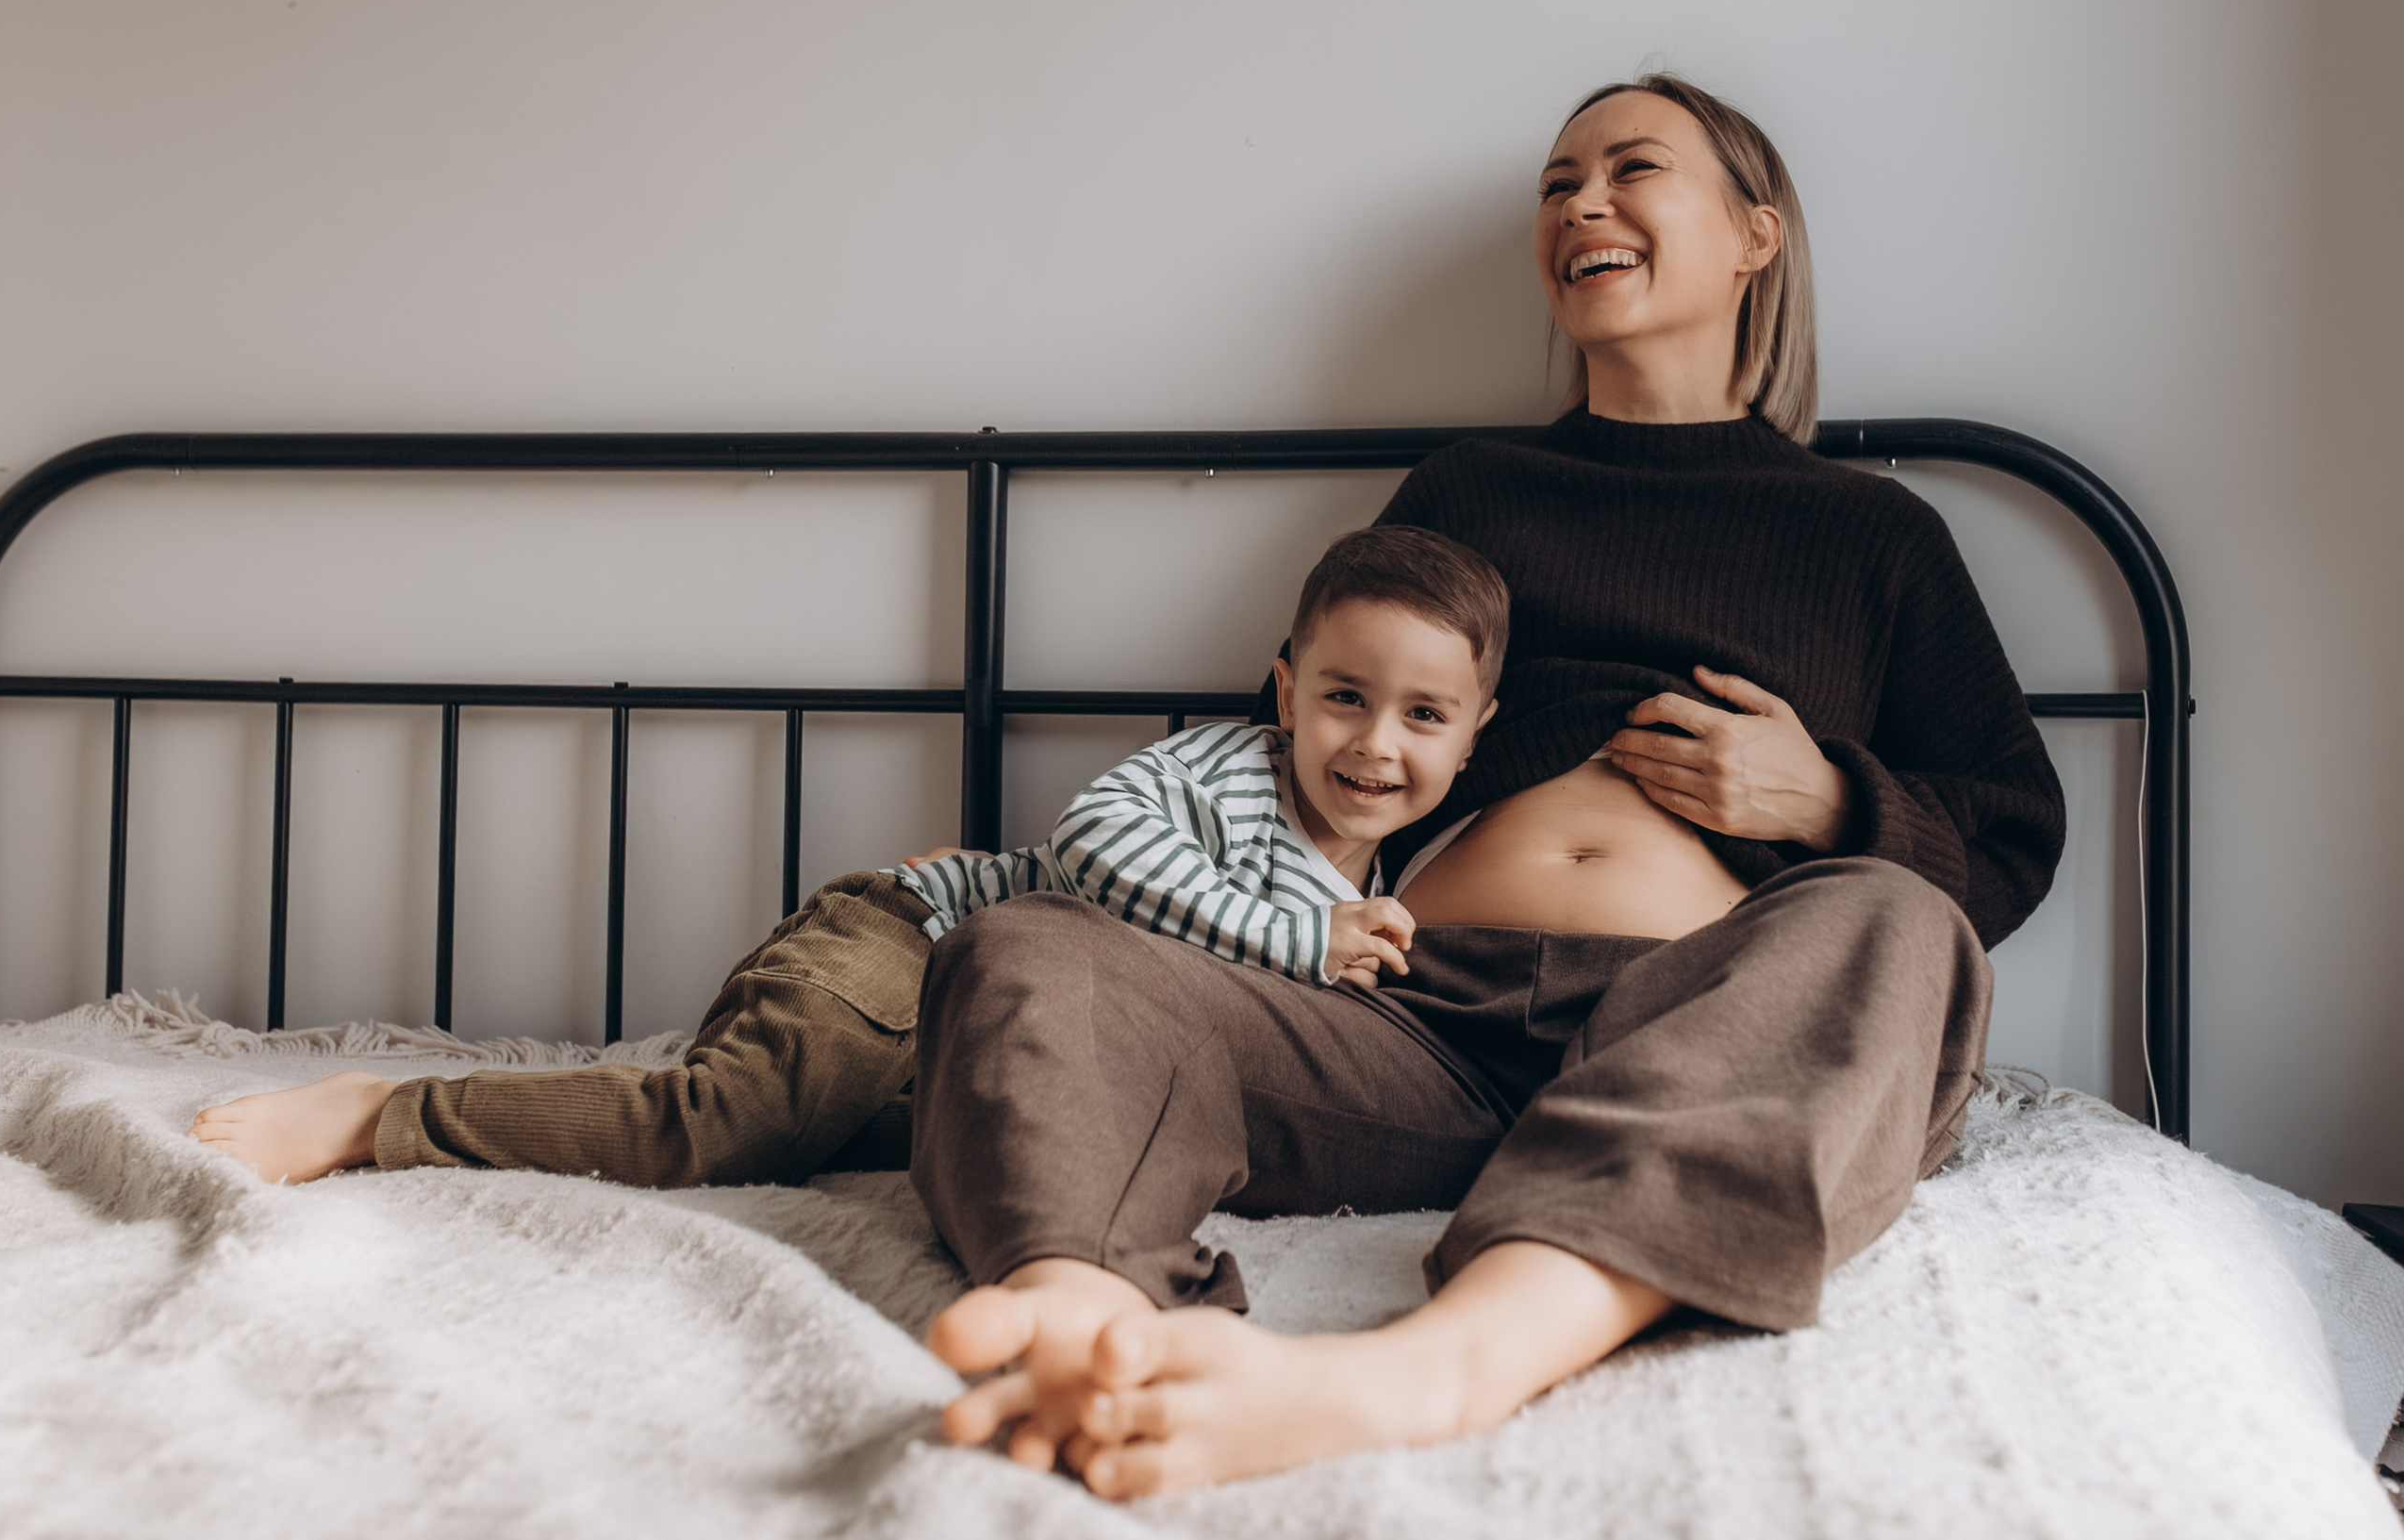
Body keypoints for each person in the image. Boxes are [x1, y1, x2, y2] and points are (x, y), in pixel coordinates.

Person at [908, 73, 2064, 1499]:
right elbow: (1304, 740)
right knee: (1027, 950)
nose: (1580, 203)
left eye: (1631, 169)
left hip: (1700, 1024)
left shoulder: (1876, 536)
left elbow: (2012, 835)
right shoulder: (1472, 489)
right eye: (1556, 183)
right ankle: (1083, 1320)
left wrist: (1826, 798)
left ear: (1757, 234)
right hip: (1408, 1016)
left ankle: (1441, 1361)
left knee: (1892, 922)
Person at [186, 525, 1509, 1188]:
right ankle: (379, 1114)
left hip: (960, 1032)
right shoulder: (1228, 772)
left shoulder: (1381, 886)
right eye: (1344, 696)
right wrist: (1301, 943)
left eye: (1423, 716)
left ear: (1475, 736)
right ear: (1285, 691)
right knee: (723, 1123)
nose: (1375, 743)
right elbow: (1097, 848)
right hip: (909, 939)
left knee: (841, 1142)